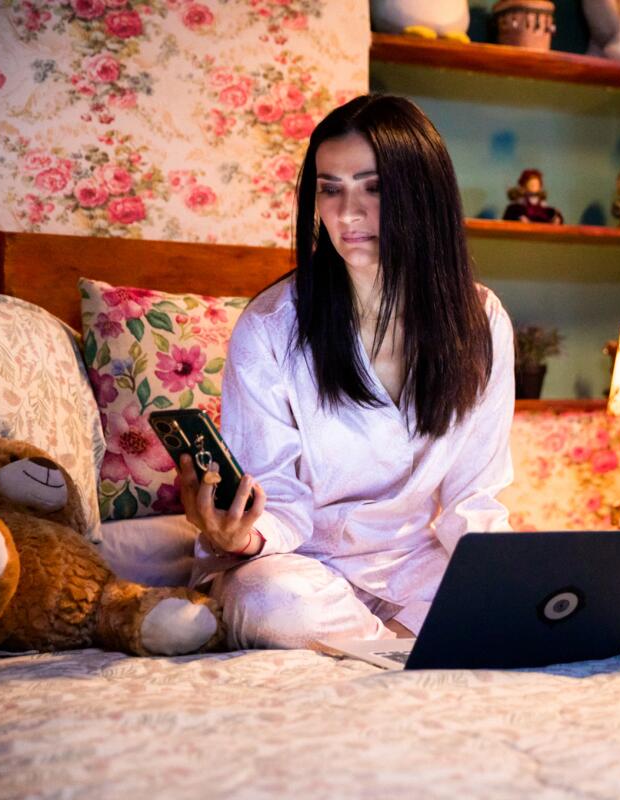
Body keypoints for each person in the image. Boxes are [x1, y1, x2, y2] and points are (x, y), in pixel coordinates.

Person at [178, 94, 515, 649]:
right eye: (330, 188)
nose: (347, 213)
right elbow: (277, 502)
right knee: (272, 602)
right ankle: (401, 651)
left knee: (513, 593)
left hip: (413, 563)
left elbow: (473, 499)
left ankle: (383, 649)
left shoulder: (480, 320)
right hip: (300, 565)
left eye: (373, 187)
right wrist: (239, 537)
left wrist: (511, 581)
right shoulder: (270, 329)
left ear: (423, 195)